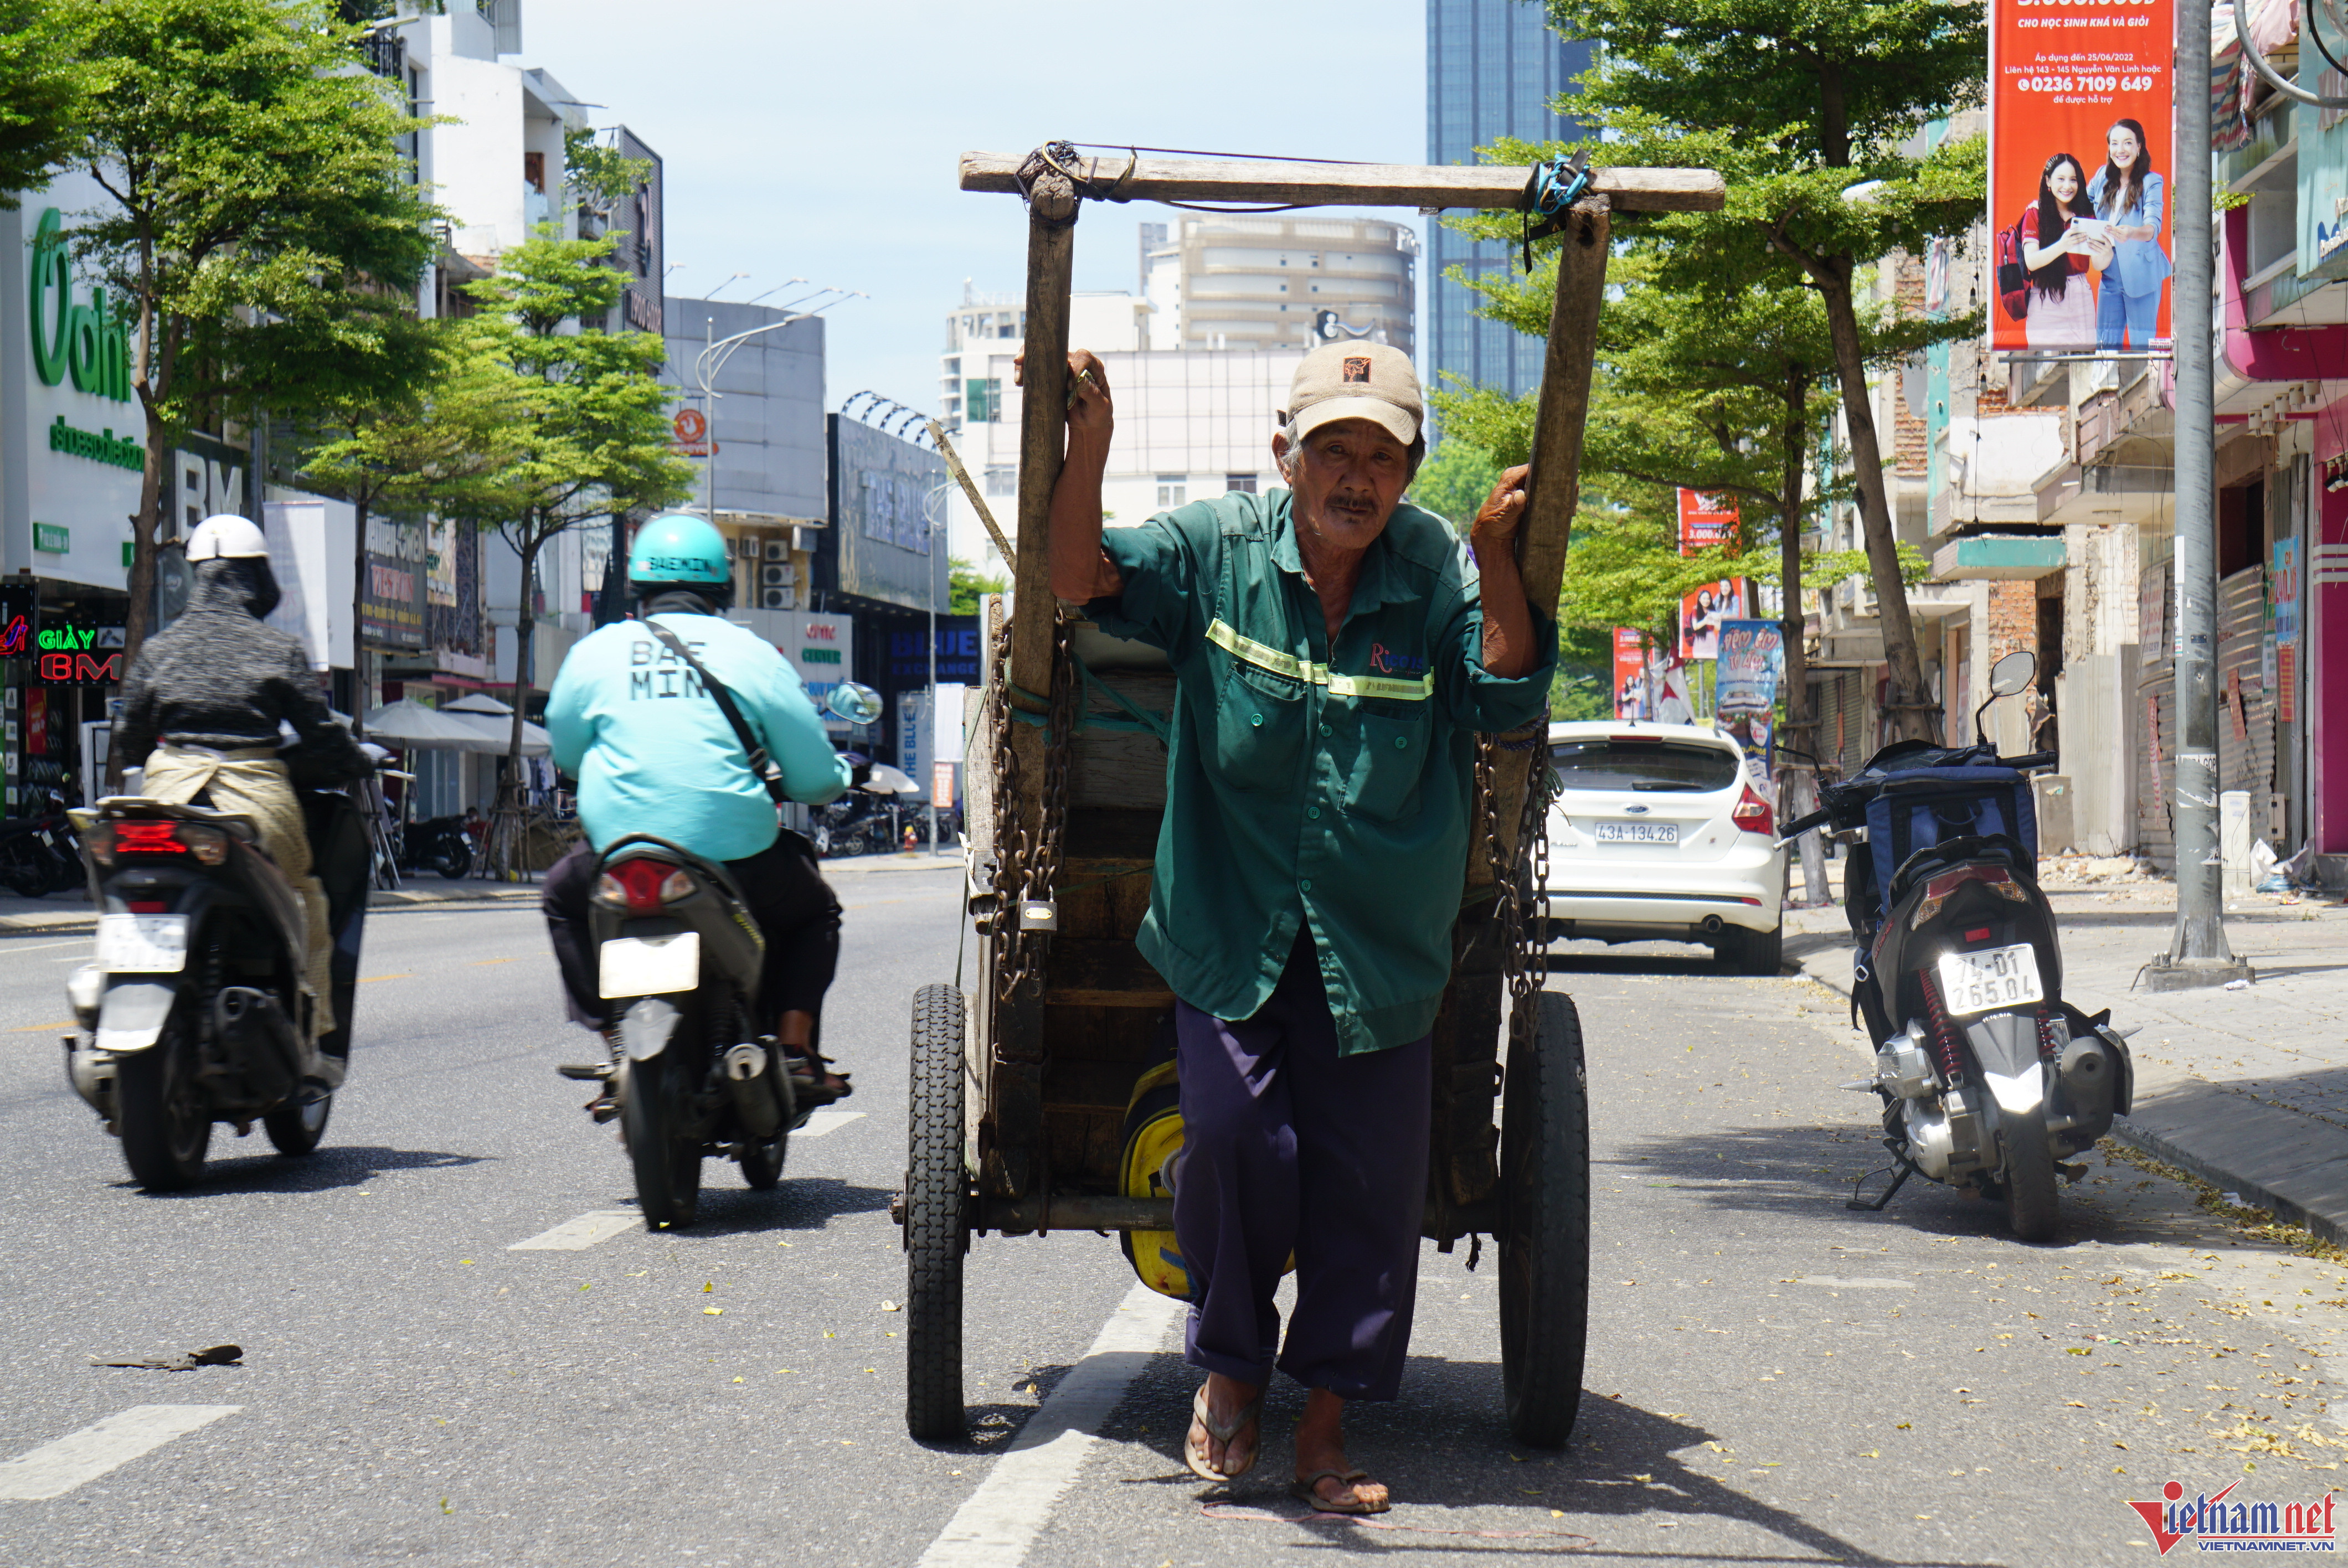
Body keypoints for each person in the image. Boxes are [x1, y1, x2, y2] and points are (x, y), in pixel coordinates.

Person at [1043, 341, 1556, 1514]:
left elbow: (1504, 697)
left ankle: (1324, 1425)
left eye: (1381, 457)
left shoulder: (1432, 573)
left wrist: (1494, 560)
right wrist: (1091, 440)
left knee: (1366, 1191)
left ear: (1407, 474)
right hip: (1230, 930)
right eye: (1333, 450)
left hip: (1378, 946)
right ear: (1286, 454)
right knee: (1234, 1148)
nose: (1355, 476)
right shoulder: (1216, 550)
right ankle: (1231, 1366)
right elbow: (1078, 576)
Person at [539, 513, 856, 1113]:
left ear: (638, 588)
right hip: (738, 860)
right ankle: (794, 1049)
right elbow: (815, 780)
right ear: (723, 588)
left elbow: (568, 755)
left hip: (620, 855)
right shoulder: (754, 655)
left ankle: (614, 1043)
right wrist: (835, 778)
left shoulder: (593, 653)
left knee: (561, 894)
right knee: (814, 912)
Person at [112, 514, 372, 1044]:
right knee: (307, 896)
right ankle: (312, 1028)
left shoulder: (159, 649)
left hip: (166, 800)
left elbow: (129, 738)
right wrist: (358, 761)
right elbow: (321, 736)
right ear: (256, 576)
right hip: (257, 802)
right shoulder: (279, 651)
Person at [2087, 117, 2170, 351]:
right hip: (2109, 270)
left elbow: (2152, 228)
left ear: (2139, 147)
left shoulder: (2152, 182)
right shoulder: (2102, 177)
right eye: (2114, 144)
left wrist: (2132, 232)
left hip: (2142, 272)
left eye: (2127, 143)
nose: (2120, 150)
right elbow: (2080, 203)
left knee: (2142, 347)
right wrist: (2046, 203)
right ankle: (2106, 377)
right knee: (2105, 345)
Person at [2020, 152, 2112, 351]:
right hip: (2046, 296)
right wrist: (2063, 244)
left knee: (2084, 358)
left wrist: (2106, 253)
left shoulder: (2086, 215)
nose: (2067, 186)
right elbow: (2031, 262)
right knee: (2045, 359)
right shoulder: (2035, 214)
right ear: (2048, 181)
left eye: (2073, 180)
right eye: (2061, 179)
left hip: (2080, 294)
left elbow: (2098, 264)